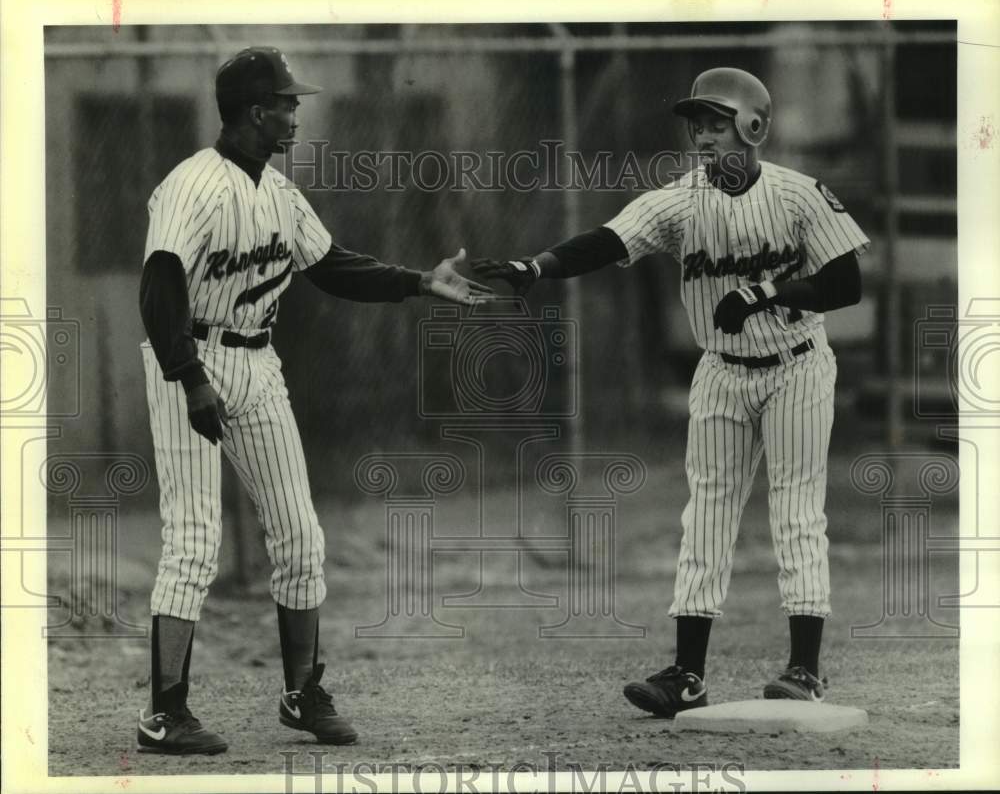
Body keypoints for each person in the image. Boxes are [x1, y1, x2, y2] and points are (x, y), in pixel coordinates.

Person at [472, 67, 868, 717]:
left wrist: (770, 291)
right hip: (721, 369)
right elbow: (608, 238)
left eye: (717, 124)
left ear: (752, 126)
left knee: (796, 512)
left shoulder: (799, 195)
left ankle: (805, 667)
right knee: (706, 514)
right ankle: (686, 673)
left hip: (798, 365)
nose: (703, 138)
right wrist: (534, 266)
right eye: (698, 126)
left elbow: (845, 282)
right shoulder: (682, 202)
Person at [137, 46, 492, 754]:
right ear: (252, 111)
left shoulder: (279, 193)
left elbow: (334, 268)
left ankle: (302, 692)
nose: (296, 112)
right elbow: (158, 285)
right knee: (195, 540)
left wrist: (421, 282)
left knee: (301, 536)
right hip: (190, 353)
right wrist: (190, 375)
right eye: (286, 101)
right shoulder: (192, 186)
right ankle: (164, 712)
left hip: (258, 360)